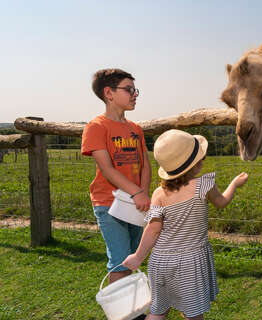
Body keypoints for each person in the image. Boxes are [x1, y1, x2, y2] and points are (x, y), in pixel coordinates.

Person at [123, 129, 249, 320]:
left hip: (160, 262)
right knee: (193, 313)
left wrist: (138, 256)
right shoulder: (204, 185)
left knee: (158, 311)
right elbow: (222, 202)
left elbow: (153, 229)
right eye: (201, 157)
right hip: (190, 262)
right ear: (195, 165)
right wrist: (234, 184)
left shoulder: (158, 193)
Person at [81, 68, 152, 289]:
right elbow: (107, 169)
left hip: (136, 203)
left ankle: (133, 309)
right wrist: (138, 192)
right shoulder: (96, 127)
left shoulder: (135, 129)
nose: (135, 94)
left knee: (132, 258)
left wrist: (144, 194)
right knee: (120, 262)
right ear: (109, 93)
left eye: (135, 89)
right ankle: (120, 313)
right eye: (128, 89)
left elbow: (145, 165)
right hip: (109, 203)